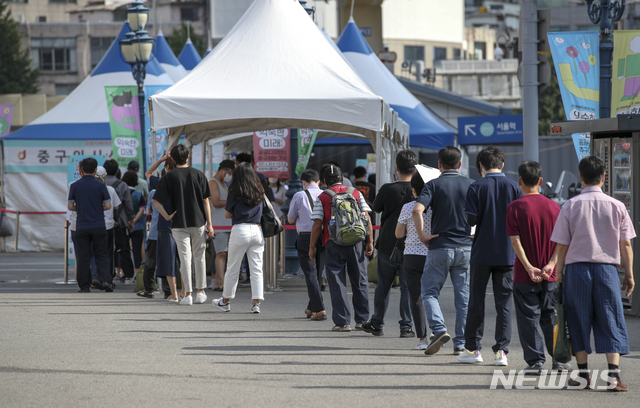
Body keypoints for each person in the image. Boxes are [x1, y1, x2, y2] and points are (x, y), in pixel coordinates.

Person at [543, 156, 635, 391]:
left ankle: (584, 376)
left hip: (577, 270)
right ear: (604, 178)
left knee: (577, 319)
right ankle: (613, 377)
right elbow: (626, 245)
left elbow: (562, 244)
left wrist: (559, 272)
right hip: (607, 270)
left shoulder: (570, 206)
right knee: (611, 317)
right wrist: (630, 274)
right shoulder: (617, 206)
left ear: (580, 177)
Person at [458, 146, 521, 366]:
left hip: (481, 253)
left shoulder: (476, 187)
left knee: (476, 301)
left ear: (481, 165)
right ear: (502, 164)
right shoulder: (514, 187)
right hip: (507, 253)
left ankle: (473, 349)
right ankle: (502, 351)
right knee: (504, 303)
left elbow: (471, 220)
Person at [506, 161, 570, 374]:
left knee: (528, 318)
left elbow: (516, 242)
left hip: (525, 275)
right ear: (541, 181)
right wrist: (551, 265)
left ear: (520, 182)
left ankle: (535, 362)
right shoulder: (554, 206)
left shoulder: (514, 207)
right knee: (550, 316)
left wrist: (529, 267)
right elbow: (562, 241)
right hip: (550, 275)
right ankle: (559, 359)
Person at [412, 146, 474, 356]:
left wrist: (422, 235)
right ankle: (461, 342)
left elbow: (416, 210)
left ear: (439, 165)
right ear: (460, 164)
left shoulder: (433, 185)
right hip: (466, 247)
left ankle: (438, 329)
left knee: (429, 292)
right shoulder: (471, 185)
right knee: (463, 297)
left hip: (440, 246)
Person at [309, 165, 374, 332]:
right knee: (360, 280)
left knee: (337, 282)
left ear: (324, 181)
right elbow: (366, 218)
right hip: (356, 242)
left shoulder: (323, 197)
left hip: (333, 242)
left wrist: (312, 247)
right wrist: (370, 241)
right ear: (342, 178)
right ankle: (362, 319)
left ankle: (342, 322)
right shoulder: (355, 193)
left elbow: (317, 225)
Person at [362, 150, 417, 337]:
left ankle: (377, 323)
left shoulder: (387, 188)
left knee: (383, 285)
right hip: (411, 245)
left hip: (387, 243)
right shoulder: (421, 189)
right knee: (407, 288)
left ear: (396, 168)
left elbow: (375, 209)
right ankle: (406, 326)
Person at [153, 144, 214, 306]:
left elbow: (156, 200)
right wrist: (210, 224)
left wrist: (167, 216)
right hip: (199, 221)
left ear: (172, 158)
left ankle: (187, 294)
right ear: (188, 157)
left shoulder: (169, 176)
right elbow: (206, 201)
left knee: (185, 258)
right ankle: (201, 291)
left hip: (178, 222)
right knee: (199, 256)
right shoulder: (199, 174)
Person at [212, 162, 266, 314]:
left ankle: (225, 301)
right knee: (256, 269)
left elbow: (227, 214)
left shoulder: (235, 191)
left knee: (233, 268)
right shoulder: (259, 190)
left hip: (240, 230)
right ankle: (256, 303)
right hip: (257, 230)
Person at [396, 171, 435, 349]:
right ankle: (437, 330)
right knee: (432, 295)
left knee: (415, 297)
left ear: (413, 189)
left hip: (411, 255)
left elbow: (398, 234)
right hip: (433, 254)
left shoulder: (408, 207)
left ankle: (422, 339)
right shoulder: (437, 207)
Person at [68, 158, 112, 292]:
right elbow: (108, 205)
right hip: (98, 225)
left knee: (83, 256)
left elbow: (70, 206)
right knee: (102, 255)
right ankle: (105, 281)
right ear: (95, 170)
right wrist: (97, 208)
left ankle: (84, 285)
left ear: (81, 170)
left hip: (81, 226)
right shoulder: (101, 185)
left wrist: (81, 208)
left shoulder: (75, 185)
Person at [287, 169, 326, 320]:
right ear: (318, 182)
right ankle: (311, 307)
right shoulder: (325, 195)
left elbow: (290, 219)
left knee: (310, 274)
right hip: (322, 237)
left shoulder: (299, 195)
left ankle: (320, 309)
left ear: (303, 182)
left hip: (305, 237)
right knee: (317, 273)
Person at [147, 156, 180, 302]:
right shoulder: (183, 183)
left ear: (166, 168)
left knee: (167, 260)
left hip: (165, 226)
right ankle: (186, 292)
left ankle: (172, 293)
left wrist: (160, 160)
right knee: (184, 261)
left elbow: (148, 173)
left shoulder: (161, 183)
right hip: (183, 225)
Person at [104, 159, 136, 283]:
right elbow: (128, 205)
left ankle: (107, 274)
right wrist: (131, 220)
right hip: (120, 222)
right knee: (124, 248)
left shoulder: (101, 184)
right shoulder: (122, 185)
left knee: (106, 249)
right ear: (117, 171)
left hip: (104, 222)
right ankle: (128, 275)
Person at [208, 160, 235, 291]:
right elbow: (216, 201)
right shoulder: (213, 183)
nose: (230, 175)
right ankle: (220, 282)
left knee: (224, 253)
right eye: (229, 172)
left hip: (227, 224)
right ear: (224, 170)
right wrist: (232, 201)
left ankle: (220, 282)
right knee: (221, 253)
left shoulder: (224, 184)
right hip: (218, 224)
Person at [95, 166, 120, 289]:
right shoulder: (110, 189)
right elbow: (116, 206)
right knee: (108, 253)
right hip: (108, 225)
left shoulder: (91, 188)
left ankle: (95, 278)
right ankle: (108, 278)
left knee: (94, 253)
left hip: (94, 224)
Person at [122, 170, 146, 271]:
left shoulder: (121, 193)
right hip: (138, 226)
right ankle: (137, 273)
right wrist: (134, 221)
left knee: (124, 250)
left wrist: (128, 222)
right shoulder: (138, 194)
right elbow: (142, 210)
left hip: (123, 225)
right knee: (137, 251)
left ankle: (123, 273)